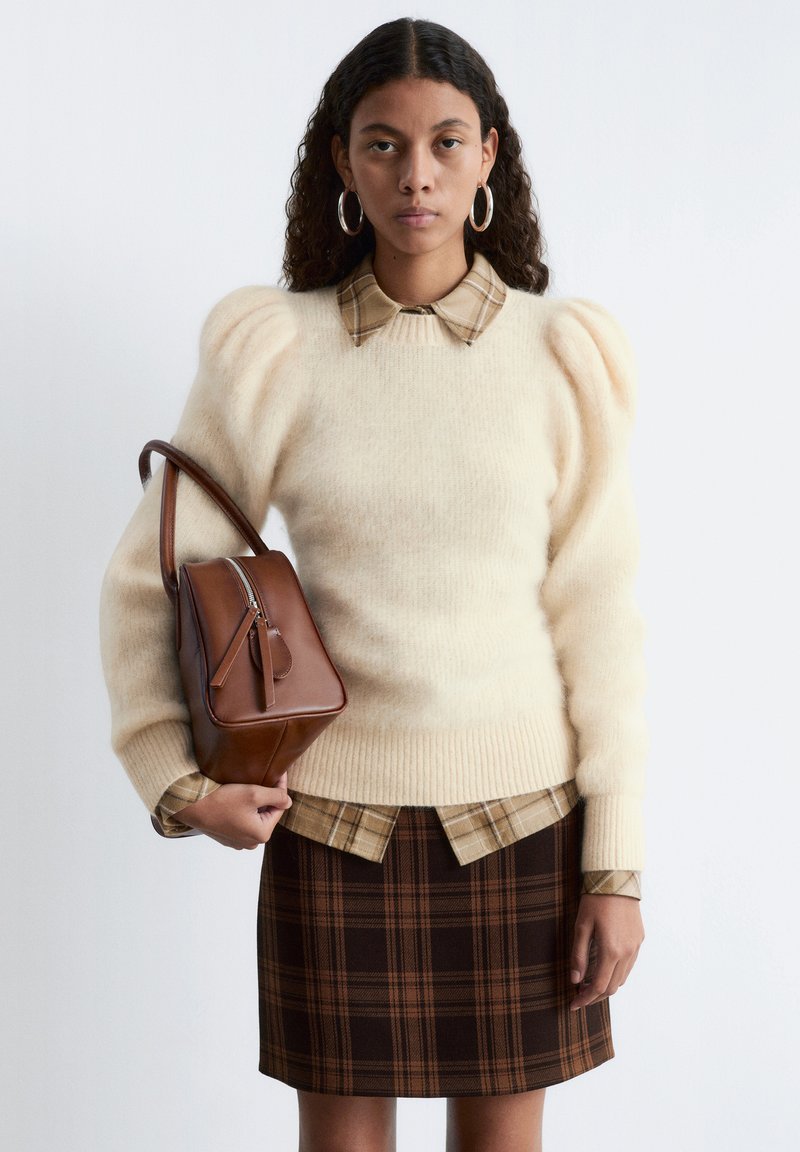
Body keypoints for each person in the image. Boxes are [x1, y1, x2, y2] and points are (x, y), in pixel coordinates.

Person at [99, 17, 647, 1152]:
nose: (417, 174)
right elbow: (151, 575)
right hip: (333, 827)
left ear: (489, 155)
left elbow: (602, 621)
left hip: (523, 825)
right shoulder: (277, 351)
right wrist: (172, 777)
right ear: (343, 163)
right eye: (384, 145)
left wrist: (617, 862)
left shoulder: (560, 355)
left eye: (446, 142)